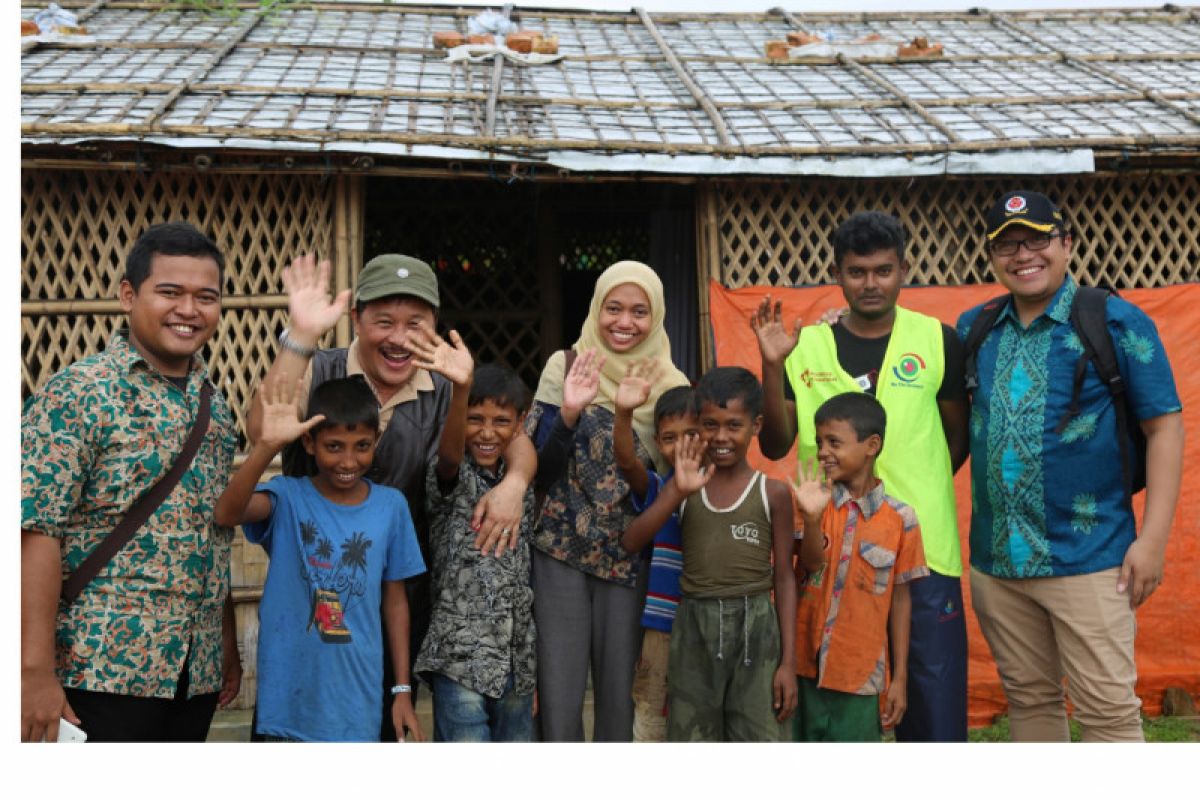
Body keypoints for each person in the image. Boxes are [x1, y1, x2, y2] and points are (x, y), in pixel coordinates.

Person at [247, 252, 535, 740]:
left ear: (435, 326)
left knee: (379, 726)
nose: (399, 338)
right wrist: (300, 336)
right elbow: (260, 429)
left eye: (415, 323)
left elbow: (516, 437)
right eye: (384, 321)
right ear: (356, 319)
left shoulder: (446, 387)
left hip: (394, 601)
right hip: (308, 597)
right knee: (292, 724)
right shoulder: (320, 371)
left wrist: (515, 483)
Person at [957, 190, 1184, 742]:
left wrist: (1151, 543)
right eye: (1006, 244)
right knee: (1030, 706)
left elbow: (1165, 428)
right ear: (991, 257)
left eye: (1036, 239)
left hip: (1091, 558)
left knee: (1107, 714)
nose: (1022, 254)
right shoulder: (975, 327)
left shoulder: (1115, 321)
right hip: (998, 563)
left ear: (1066, 243)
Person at [752, 210, 970, 742]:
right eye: (856, 272)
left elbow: (956, 438)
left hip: (922, 551)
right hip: (826, 551)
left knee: (931, 704)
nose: (870, 283)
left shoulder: (939, 341)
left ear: (903, 270)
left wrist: (907, 498)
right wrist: (773, 365)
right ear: (838, 273)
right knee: (830, 707)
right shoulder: (806, 346)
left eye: (883, 270)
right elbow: (775, 442)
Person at [21, 222, 241, 742]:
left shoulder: (216, 406)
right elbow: (32, 531)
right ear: (128, 295)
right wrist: (32, 672)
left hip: (195, 674)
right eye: (170, 292)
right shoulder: (79, 393)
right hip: (95, 668)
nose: (189, 310)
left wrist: (225, 646)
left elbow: (213, 534)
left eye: (205, 297)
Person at [527, 261, 690, 741]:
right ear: (596, 308)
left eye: (639, 311)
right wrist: (571, 415)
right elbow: (539, 467)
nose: (624, 322)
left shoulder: (672, 386)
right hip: (558, 552)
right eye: (613, 308)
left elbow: (669, 485)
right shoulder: (567, 365)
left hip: (630, 556)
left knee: (620, 697)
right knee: (558, 694)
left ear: (656, 315)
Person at [215, 376, 426, 742]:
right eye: (334, 446)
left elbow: (396, 603)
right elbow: (226, 513)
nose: (348, 460)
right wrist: (267, 446)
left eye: (362, 446)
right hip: (287, 698)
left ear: (377, 440)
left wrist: (402, 690)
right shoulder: (287, 497)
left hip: (357, 696)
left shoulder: (392, 506)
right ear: (309, 443)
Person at [624, 367, 798, 741]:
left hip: (757, 628)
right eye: (709, 425)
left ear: (756, 426)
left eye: (733, 426)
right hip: (693, 627)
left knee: (760, 738)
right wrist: (675, 492)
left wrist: (787, 663)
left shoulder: (773, 494)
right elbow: (631, 542)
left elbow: (784, 577)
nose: (721, 437)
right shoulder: (685, 486)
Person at [408, 323, 537, 742]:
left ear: (520, 425)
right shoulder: (450, 477)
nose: (485, 432)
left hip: (516, 660)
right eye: (475, 419)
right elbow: (448, 457)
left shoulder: (523, 487)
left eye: (501, 421)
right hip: (459, 658)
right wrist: (460, 388)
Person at [791, 392, 929, 741]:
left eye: (834, 442)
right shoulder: (811, 502)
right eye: (819, 441)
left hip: (859, 675)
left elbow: (900, 600)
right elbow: (807, 565)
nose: (822, 451)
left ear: (872, 445)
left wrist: (898, 680)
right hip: (802, 668)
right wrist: (810, 521)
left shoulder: (901, 520)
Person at [613, 380, 699, 743]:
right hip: (661, 628)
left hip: (709, 627)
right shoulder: (657, 486)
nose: (680, 446)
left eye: (692, 434)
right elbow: (626, 460)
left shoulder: (727, 489)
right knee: (651, 719)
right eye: (668, 437)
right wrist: (624, 413)